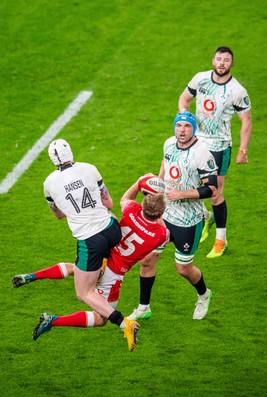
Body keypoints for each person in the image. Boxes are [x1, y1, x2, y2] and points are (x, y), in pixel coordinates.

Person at [12, 178, 169, 351]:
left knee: (77, 270)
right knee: (101, 318)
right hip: (113, 273)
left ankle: (33, 276)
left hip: (100, 254)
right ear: (161, 213)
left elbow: (125, 198)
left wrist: (140, 183)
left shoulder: (132, 210)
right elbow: (161, 230)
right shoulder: (161, 234)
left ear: (143, 203)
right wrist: (159, 207)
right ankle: (53, 320)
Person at [128, 111, 218, 322]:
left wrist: (181, 194)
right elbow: (166, 163)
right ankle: (143, 307)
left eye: (187, 126)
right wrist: (158, 184)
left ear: (193, 129)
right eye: (179, 126)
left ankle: (204, 295)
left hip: (188, 220)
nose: (182, 130)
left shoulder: (202, 153)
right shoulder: (169, 144)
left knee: (183, 268)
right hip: (164, 215)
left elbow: (211, 189)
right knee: (147, 259)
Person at [178, 46, 252, 258]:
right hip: (198, 142)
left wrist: (242, 150)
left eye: (226, 60)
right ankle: (206, 217)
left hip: (220, 145)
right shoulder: (200, 79)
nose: (222, 63)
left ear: (232, 64)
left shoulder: (237, 91)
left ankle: (221, 240)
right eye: (219, 59)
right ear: (213, 60)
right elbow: (184, 99)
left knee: (215, 191)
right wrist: (186, 119)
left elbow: (246, 121)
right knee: (190, 183)